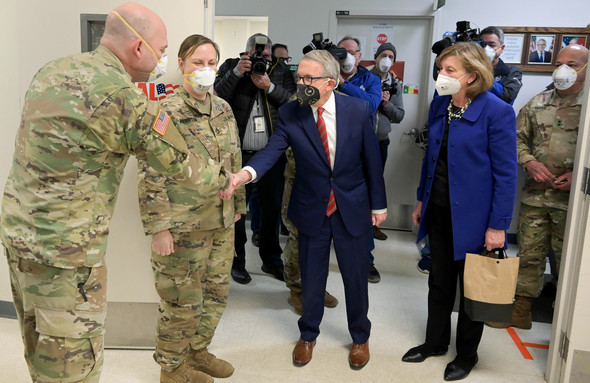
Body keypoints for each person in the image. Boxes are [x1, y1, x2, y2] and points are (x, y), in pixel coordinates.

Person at [1, 3, 232, 383]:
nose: (162, 58)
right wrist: (227, 180)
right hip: (67, 254)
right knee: (73, 367)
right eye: (160, 50)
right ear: (138, 48)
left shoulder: (54, 70)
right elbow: (178, 163)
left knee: (40, 349)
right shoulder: (123, 97)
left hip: (20, 238)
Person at [221, 49, 387, 370]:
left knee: (355, 277)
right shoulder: (292, 113)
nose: (302, 84)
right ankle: (308, 334)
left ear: (330, 83)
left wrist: (378, 204)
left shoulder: (357, 109)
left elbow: (371, 160)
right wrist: (246, 174)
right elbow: (272, 150)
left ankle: (360, 337)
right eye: (300, 77)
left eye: (309, 79)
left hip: (351, 205)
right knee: (312, 278)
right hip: (312, 205)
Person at [402, 42, 517, 381]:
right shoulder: (440, 104)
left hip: (475, 219)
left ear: (472, 75)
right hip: (437, 209)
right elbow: (431, 158)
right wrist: (421, 200)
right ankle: (434, 342)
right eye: (441, 69)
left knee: (472, 287)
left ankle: (467, 354)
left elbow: (506, 174)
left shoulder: (497, 111)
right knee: (439, 282)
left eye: (449, 70)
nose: (442, 76)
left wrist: (498, 225)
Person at [137, 34, 246, 383]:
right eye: (198, 63)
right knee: (182, 301)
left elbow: (234, 160)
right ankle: (171, 370)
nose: (206, 69)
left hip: (222, 221)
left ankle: (197, 353)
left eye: (212, 63)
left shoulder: (224, 108)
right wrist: (159, 228)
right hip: (183, 226)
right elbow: (151, 172)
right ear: (181, 65)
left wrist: (239, 205)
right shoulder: (166, 112)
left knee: (215, 295)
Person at [488, 44, 589, 330]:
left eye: (572, 63)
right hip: (536, 196)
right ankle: (521, 310)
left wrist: (577, 175)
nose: (563, 69)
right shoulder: (538, 102)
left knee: (570, 261)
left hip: (576, 202)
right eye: (560, 62)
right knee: (530, 254)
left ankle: (566, 323)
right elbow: (514, 139)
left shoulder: (589, 107)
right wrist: (529, 162)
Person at [214, 33, 296, 284]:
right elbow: (217, 96)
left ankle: (271, 260)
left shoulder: (281, 70)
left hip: (271, 154)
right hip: (239, 153)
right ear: (247, 52)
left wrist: (268, 86)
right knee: (238, 211)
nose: (263, 58)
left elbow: (292, 102)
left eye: (267, 55)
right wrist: (238, 72)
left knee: (271, 209)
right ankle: (237, 262)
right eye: (258, 54)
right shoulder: (231, 65)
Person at [337, 35, 384, 281]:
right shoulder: (326, 75)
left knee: (361, 205)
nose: (347, 56)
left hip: (360, 150)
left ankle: (366, 260)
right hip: (331, 148)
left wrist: (342, 85)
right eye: (342, 51)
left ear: (359, 55)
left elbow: (371, 105)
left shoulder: (370, 79)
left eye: (352, 52)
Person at [480, 26, 523, 105]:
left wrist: (481, 74)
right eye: (484, 45)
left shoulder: (512, 72)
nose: (486, 49)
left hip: (497, 115)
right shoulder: (470, 68)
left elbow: (508, 97)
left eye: (492, 45)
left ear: (502, 48)